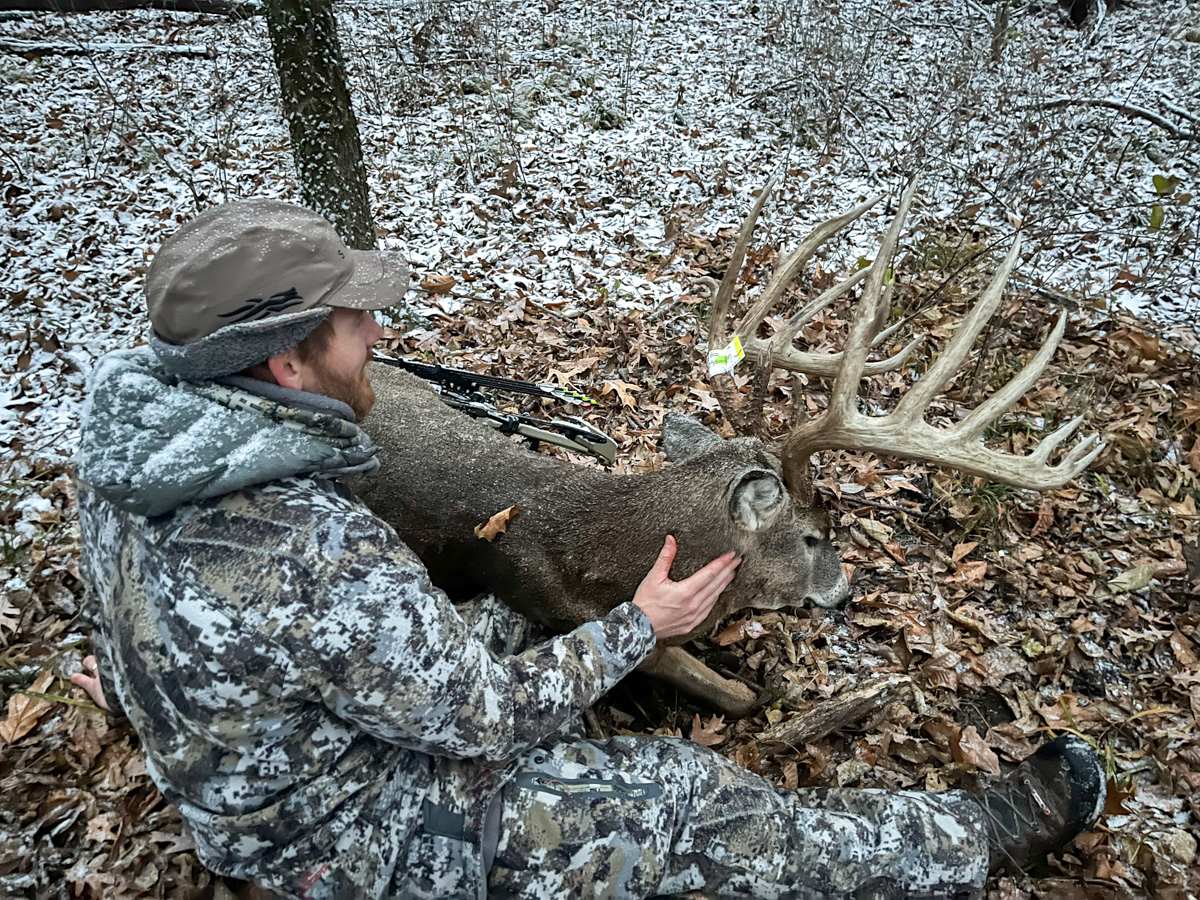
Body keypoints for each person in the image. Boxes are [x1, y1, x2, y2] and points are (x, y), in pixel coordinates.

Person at [73, 200, 1106, 899]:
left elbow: (205, 623)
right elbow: (479, 720)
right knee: (691, 800)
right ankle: (971, 838)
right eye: (353, 324)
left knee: (504, 609)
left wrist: (150, 688)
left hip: (249, 773)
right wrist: (638, 628)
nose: (377, 337)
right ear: (287, 365)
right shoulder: (314, 547)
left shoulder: (134, 456)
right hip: (340, 837)